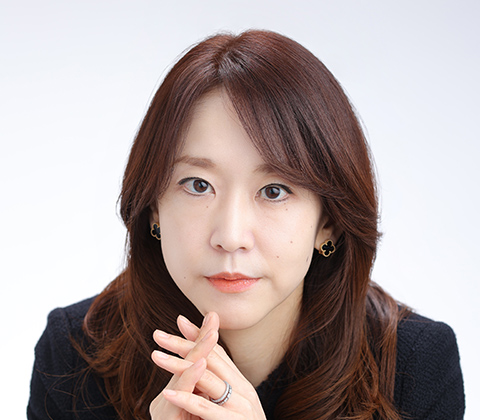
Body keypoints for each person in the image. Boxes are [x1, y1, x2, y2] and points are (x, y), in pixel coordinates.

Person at [27, 30, 465, 420]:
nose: (231, 237)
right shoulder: (76, 353)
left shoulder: (412, 367)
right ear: (153, 209)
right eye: (198, 185)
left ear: (328, 222)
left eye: (274, 190)